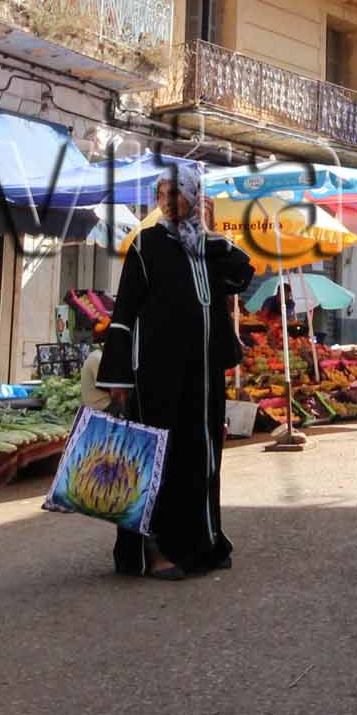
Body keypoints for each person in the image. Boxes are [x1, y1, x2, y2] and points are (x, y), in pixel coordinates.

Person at [97, 164, 256, 579]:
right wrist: (118, 378)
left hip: (203, 378)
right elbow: (124, 312)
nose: (168, 201)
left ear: (193, 196)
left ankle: (204, 542)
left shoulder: (208, 247)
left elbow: (244, 274)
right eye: (162, 192)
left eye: (176, 192)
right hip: (158, 375)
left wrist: (213, 230)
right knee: (158, 460)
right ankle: (153, 552)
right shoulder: (146, 245)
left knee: (202, 459)